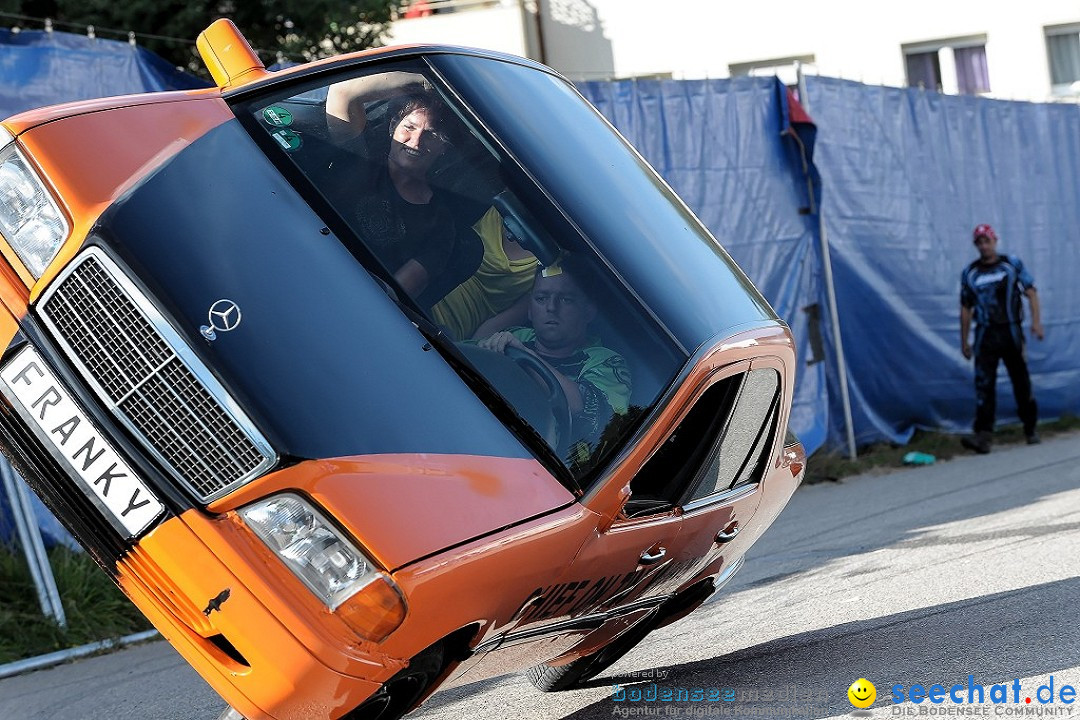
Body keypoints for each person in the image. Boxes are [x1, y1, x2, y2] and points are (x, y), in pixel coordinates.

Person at [325, 72, 480, 307]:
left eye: (431, 135)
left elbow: (392, 295)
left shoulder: (440, 225)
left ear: (444, 148)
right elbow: (341, 91)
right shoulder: (359, 157)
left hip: (344, 300)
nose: (416, 141)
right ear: (392, 127)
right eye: (409, 127)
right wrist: (425, 80)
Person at [477, 257, 631, 462]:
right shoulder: (515, 335)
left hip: (542, 465)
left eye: (566, 299)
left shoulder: (607, 362)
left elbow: (594, 415)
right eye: (541, 298)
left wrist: (524, 356)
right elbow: (465, 354)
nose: (551, 307)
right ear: (530, 310)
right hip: (479, 433)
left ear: (588, 311)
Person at [959, 223, 1044, 454]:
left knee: (1021, 379)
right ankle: (983, 436)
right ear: (976, 245)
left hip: (1011, 331)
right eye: (980, 243)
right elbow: (966, 307)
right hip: (985, 333)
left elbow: (1031, 292)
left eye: (987, 241)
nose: (984, 246)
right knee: (984, 384)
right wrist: (964, 340)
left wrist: (1036, 323)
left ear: (995, 241)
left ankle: (1030, 428)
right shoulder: (971, 273)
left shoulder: (1011, 264)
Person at [431, 206, 538, 340]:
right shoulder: (497, 205)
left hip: (443, 333)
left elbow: (493, 327)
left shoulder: (549, 264)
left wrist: (459, 351)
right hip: (419, 292)